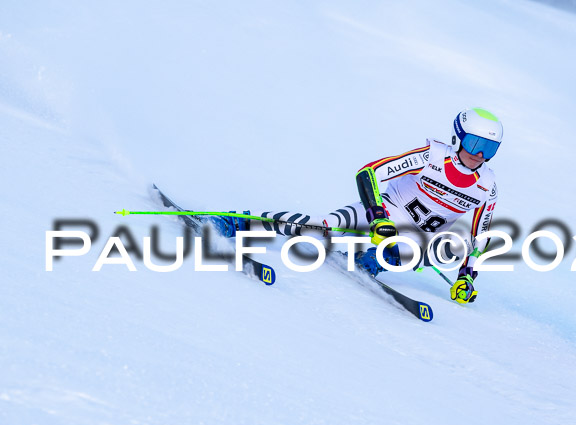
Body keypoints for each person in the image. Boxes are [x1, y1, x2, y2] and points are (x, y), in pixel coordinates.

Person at [210, 107, 502, 304]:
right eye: (474, 143)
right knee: (319, 228)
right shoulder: (431, 157)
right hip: (385, 212)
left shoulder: (486, 187)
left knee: (450, 245)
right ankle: (237, 221)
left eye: (488, 149)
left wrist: (466, 277)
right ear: (458, 137)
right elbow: (369, 173)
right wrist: (377, 217)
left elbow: (480, 237)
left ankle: (375, 260)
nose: (479, 155)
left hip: (415, 240)